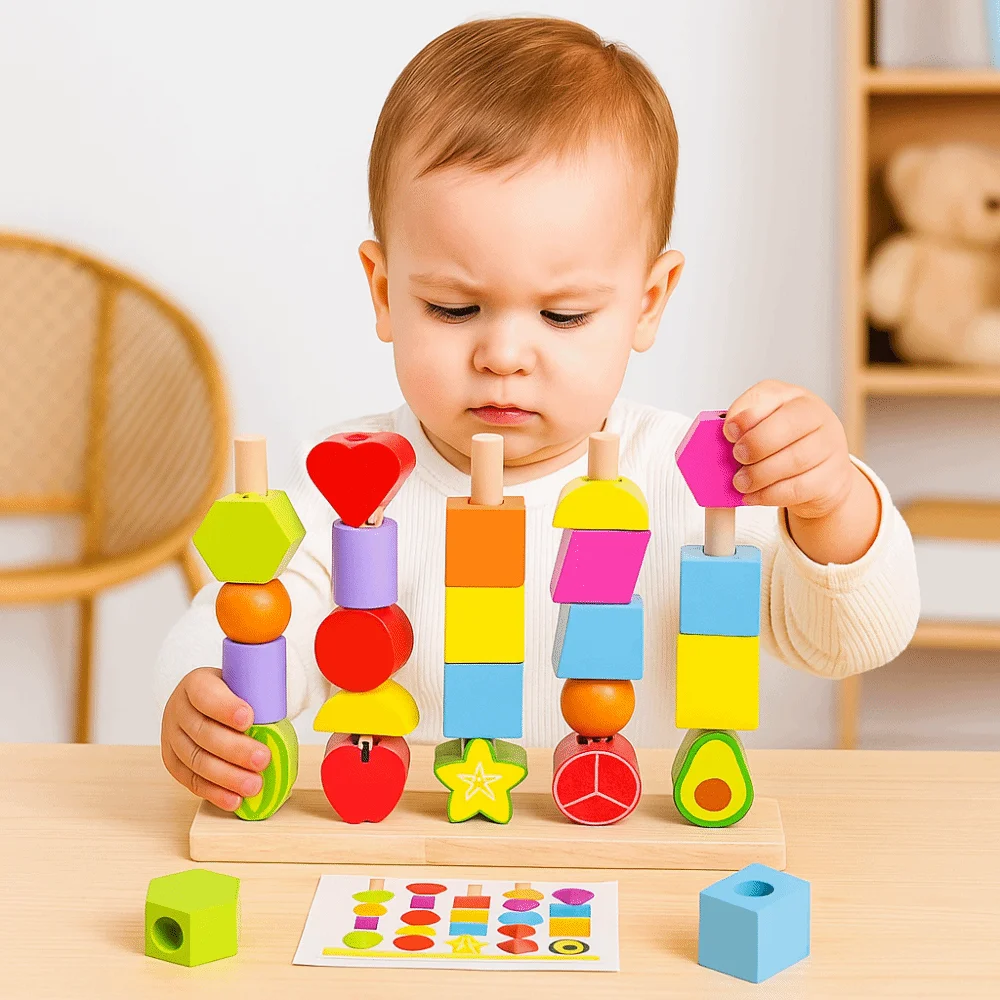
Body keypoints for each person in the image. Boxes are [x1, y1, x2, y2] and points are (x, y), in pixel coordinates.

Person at [157, 17, 920, 812]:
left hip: (629, 862)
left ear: (648, 303)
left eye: (562, 317)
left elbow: (850, 641)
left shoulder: (695, 486)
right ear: (385, 292)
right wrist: (199, 691)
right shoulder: (353, 495)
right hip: (409, 861)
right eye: (454, 308)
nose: (504, 355)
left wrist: (831, 505)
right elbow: (236, 615)